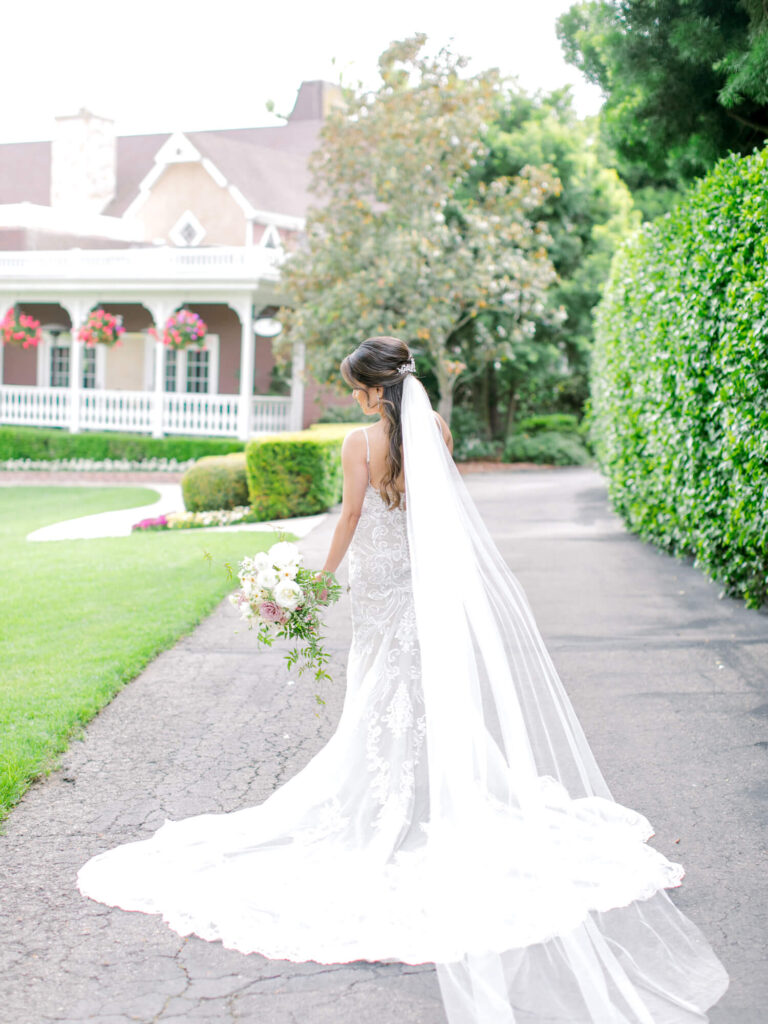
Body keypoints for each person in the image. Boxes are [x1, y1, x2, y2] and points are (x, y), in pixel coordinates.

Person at [78, 336, 729, 1022]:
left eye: (352, 385)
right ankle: (431, 796)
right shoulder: (436, 429)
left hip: (381, 585)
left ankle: (396, 805)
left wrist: (315, 582)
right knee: (418, 690)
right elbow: (435, 514)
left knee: (379, 693)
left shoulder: (357, 444)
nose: (350, 394)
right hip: (420, 584)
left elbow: (353, 515)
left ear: (367, 388)